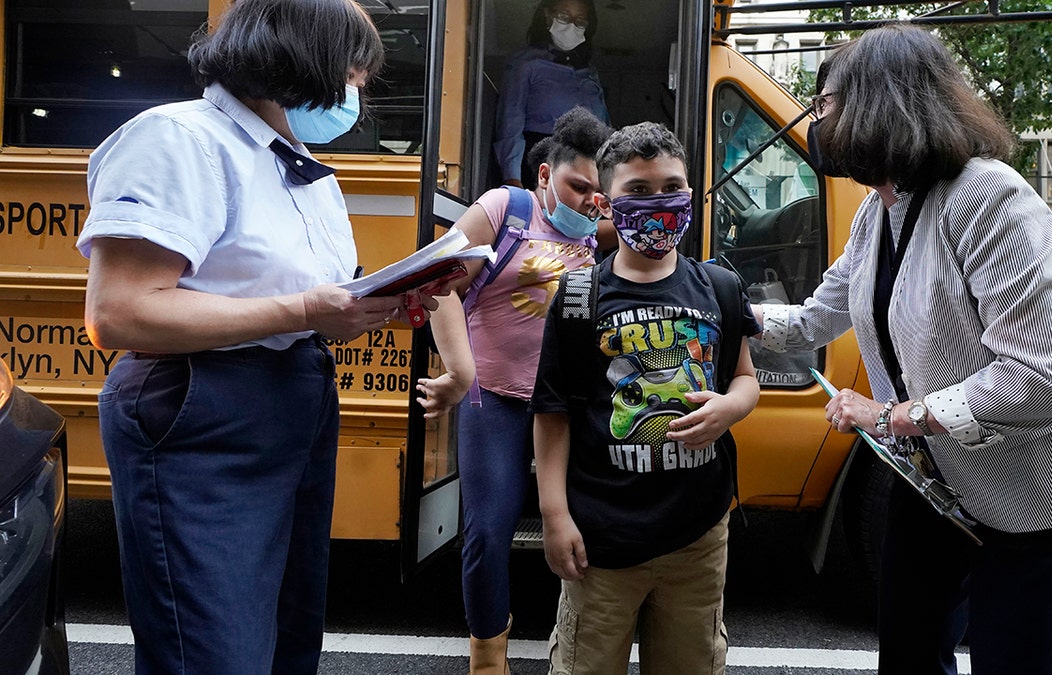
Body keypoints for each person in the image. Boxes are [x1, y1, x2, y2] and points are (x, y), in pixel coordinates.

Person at [754, 24, 1052, 675]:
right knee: (906, 651)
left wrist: (890, 416)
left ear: (878, 103)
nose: (814, 122)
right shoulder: (873, 214)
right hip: (937, 479)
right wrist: (725, 308)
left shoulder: (988, 198)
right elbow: (812, 319)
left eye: (822, 105)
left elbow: (1042, 378)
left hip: (1043, 491)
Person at [75, 1, 439, 672]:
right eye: (354, 74)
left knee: (284, 643)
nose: (357, 94)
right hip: (204, 410)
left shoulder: (293, 163)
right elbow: (120, 313)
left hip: (292, 404)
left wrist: (379, 303)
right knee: (216, 652)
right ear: (303, 59)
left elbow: (298, 303)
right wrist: (303, 308)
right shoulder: (177, 139)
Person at [531, 122, 761, 673]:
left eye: (671, 187)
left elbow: (745, 378)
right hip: (601, 541)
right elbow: (553, 410)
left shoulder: (719, 288)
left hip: (698, 537)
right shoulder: (579, 297)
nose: (658, 201)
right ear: (608, 203)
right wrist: (554, 514)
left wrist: (731, 407)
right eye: (638, 190)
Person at [414, 106, 612, 674]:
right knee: (486, 534)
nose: (588, 202)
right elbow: (439, 284)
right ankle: (488, 662)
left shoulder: (601, 232)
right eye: (578, 186)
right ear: (545, 174)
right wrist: (460, 372)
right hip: (495, 399)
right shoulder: (506, 209)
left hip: (567, 407)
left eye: (599, 194)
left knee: (587, 530)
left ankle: (579, 649)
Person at [494, 0, 609, 190]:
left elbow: (604, 123)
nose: (572, 25)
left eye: (580, 20)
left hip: (586, 161)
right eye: (564, 16)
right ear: (547, 16)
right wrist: (512, 178)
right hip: (539, 156)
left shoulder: (590, 71)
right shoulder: (525, 62)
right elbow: (510, 120)